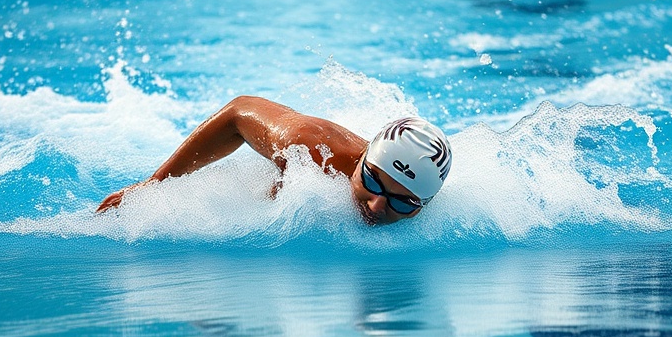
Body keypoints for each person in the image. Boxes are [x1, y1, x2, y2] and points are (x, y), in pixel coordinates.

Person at [96, 96, 452, 225]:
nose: (376, 206)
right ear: (361, 162)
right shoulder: (313, 152)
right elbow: (238, 112)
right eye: (372, 182)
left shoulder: (438, 209)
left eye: (402, 204)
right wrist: (154, 185)